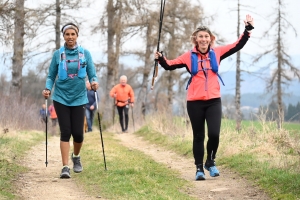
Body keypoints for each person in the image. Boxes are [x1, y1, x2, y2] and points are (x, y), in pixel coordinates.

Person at [154, 15, 254, 180]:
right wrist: (161, 58)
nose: (203, 39)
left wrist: (248, 29)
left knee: (214, 134)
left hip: (214, 100)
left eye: (206, 36)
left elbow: (238, 45)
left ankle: (210, 162)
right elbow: (169, 65)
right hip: (194, 102)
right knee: (199, 136)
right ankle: (199, 169)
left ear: (211, 39)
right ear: (195, 39)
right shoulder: (188, 56)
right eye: (200, 36)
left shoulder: (217, 52)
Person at [42, 22, 99, 179]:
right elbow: (51, 76)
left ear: (77, 36)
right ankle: (65, 167)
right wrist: (47, 89)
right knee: (66, 131)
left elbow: (92, 74)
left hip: (79, 97)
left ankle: (76, 156)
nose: (70, 37)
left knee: (78, 134)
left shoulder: (85, 54)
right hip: (60, 97)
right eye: (67, 34)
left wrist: (94, 82)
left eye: (73, 34)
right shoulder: (57, 54)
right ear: (64, 36)